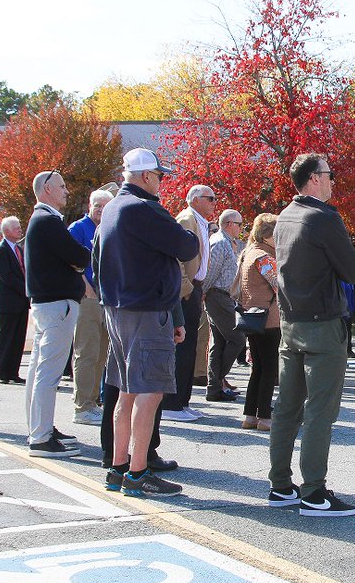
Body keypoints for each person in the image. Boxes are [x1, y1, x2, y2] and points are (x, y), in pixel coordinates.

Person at [96, 148, 196, 497]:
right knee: (150, 393)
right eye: (160, 175)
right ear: (146, 176)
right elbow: (185, 247)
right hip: (146, 311)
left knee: (126, 391)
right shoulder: (144, 209)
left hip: (120, 310)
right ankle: (138, 473)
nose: (161, 182)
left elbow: (97, 264)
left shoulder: (111, 208)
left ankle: (118, 468)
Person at [270, 153, 355, 517]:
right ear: (313, 179)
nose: (333, 180)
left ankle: (281, 485)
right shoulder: (323, 217)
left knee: (287, 409)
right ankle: (313, 493)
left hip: (291, 322)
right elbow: (353, 271)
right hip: (322, 325)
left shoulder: (285, 216)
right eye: (329, 174)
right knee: (320, 411)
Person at [23, 170, 91, 458]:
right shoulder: (48, 221)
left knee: (39, 370)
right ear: (48, 189)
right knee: (47, 373)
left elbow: (74, 258)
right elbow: (79, 256)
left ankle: (41, 427)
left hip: (47, 304)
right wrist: (76, 263)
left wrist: (75, 263)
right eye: (62, 186)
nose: (66, 191)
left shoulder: (42, 221)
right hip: (57, 305)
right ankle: (41, 437)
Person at [160, 184, 218, 421]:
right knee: (182, 346)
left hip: (195, 288)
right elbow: (177, 259)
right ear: (195, 200)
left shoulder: (199, 221)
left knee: (190, 346)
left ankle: (182, 402)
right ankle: (172, 404)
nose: (214, 202)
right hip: (186, 290)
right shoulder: (186, 219)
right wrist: (185, 289)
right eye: (210, 198)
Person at [67, 189, 114, 425]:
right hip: (88, 299)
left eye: (106, 205)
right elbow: (69, 261)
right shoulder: (78, 229)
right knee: (86, 352)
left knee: (101, 353)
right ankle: (82, 406)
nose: (101, 209)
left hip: (106, 299)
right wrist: (85, 286)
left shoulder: (109, 229)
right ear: (89, 205)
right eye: (97, 205)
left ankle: (93, 402)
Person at [238, 213, 280, 430]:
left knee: (258, 368)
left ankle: (250, 416)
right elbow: (279, 284)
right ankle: (264, 416)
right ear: (268, 236)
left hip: (252, 317)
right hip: (269, 319)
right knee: (268, 369)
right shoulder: (264, 256)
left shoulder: (248, 253)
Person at [201, 209, 246, 404]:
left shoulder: (228, 242)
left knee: (219, 343)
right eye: (239, 224)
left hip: (222, 296)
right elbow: (210, 272)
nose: (241, 229)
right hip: (217, 295)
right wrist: (203, 291)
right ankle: (218, 380)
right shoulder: (220, 242)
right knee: (237, 338)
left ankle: (215, 389)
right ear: (229, 224)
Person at [0, 216, 30, 386]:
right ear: (6, 231)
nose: (20, 230)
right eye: (16, 228)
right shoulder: (1, 251)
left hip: (21, 302)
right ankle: (2, 371)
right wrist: (27, 289)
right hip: (9, 302)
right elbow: (6, 277)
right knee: (6, 337)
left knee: (18, 338)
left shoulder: (18, 249)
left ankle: (13, 372)